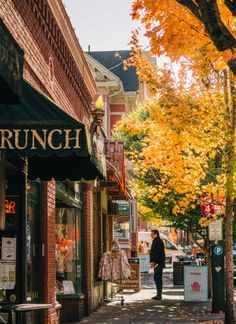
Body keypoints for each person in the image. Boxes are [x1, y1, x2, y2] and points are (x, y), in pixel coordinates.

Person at [150, 229, 165, 300]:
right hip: (158, 262)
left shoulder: (158, 241)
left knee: (157, 277)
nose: (151, 235)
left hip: (158, 263)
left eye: (152, 234)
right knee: (157, 278)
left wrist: (153, 262)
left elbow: (157, 253)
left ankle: (159, 294)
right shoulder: (156, 241)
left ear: (156, 234)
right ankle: (159, 294)